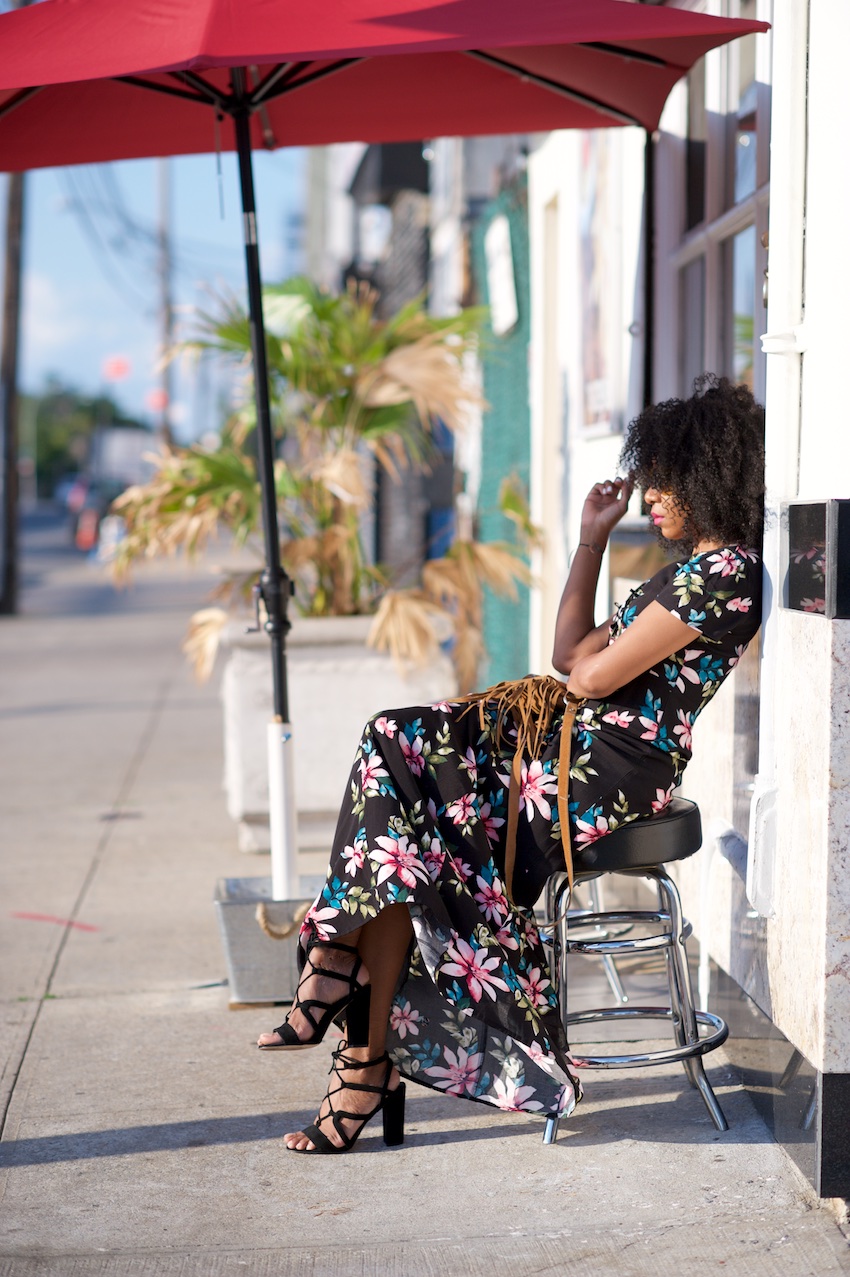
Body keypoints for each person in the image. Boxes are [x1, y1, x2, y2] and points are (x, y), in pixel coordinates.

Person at [258, 375, 765, 1154]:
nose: (651, 494)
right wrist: (593, 536)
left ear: (708, 473)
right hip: (566, 758)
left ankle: (343, 994)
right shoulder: (683, 573)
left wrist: (586, 672)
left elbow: (589, 678)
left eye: (664, 476)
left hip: (603, 778)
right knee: (398, 807)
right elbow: (569, 654)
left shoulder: (724, 576)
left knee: (397, 761)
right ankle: (361, 1045)